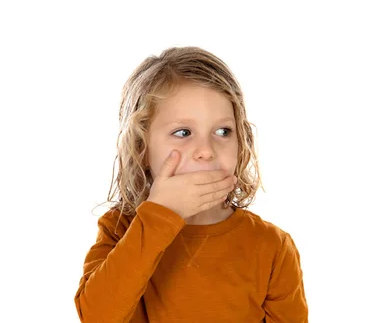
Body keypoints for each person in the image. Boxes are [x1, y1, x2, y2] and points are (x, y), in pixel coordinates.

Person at [74, 46, 308, 322]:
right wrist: (160, 216)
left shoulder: (272, 246)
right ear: (142, 148)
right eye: (183, 132)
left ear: (241, 141)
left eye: (223, 131)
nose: (206, 150)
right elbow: (97, 316)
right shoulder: (120, 229)